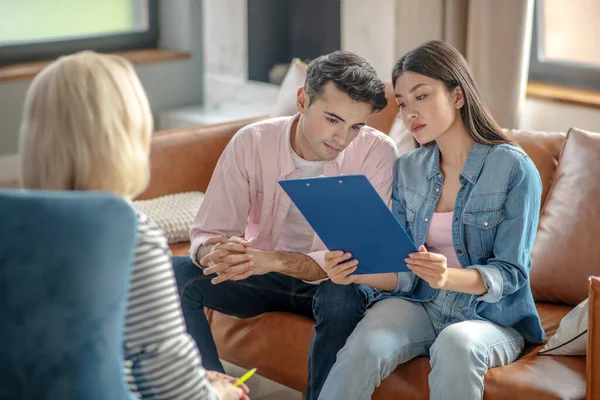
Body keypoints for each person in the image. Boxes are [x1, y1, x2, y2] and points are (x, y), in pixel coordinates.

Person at [318, 40, 545, 400]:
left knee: (457, 343)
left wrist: (447, 276)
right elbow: (403, 268)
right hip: (420, 303)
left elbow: (512, 273)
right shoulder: (408, 169)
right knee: (364, 345)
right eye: (403, 103)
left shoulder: (514, 168)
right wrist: (352, 270)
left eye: (421, 96)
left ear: (457, 95)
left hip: (489, 316)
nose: (409, 114)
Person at [19, 51, 249, 400]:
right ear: (125, 137)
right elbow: (178, 394)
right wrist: (219, 394)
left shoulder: (14, 223)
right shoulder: (128, 236)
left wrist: (191, 376)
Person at [171, 50, 398, 399]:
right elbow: (207, 234)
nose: (341, 138)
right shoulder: (252, 142)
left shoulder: (377, 153)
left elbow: (359, 259)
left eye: (355, 126)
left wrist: (271, 260)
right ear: (302, 100)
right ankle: (211, 392)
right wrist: (221, 252)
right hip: (264, 277)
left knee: (343, 294)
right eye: (333, 119)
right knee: (177, 273)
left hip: (330, 281)